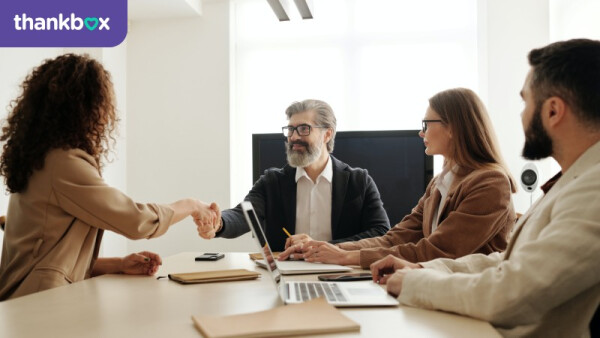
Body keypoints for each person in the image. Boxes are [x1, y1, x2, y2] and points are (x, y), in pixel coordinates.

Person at [370, 39, 600, 337]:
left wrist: (415, 283)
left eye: (525, 102)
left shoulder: (592, 189)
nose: (521, 115)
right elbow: (506, 263)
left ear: (553, 111)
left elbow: (513, 292)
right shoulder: (573, 181)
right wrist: (424, 271)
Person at [0, 54, 219, 301]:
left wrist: (117, 264)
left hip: (29, 301)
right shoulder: (62, 164)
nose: (106, 113)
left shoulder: (39, 159)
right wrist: (191, 205)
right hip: (37, 305)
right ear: (85, 106)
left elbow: (47, 257)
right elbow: (136, 220)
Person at [280, 88, 517, 269]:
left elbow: (438, 250)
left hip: (468, 300)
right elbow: (395, 238)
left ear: (453, 127)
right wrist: (329, 249)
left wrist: (347, 256)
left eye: (427, 124)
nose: (421, 132)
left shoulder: (491, 183)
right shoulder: (439, 184)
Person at [197, 99, 390, 251]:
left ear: (327, 134)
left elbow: (381, 233)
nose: (294, 137)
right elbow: (243, 216)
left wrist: (324, 247)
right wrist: (218, 223)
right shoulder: (272, 181)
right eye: (290, 129)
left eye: (303, 129)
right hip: (288, 272)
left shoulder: (359, 181)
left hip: (343, 273)